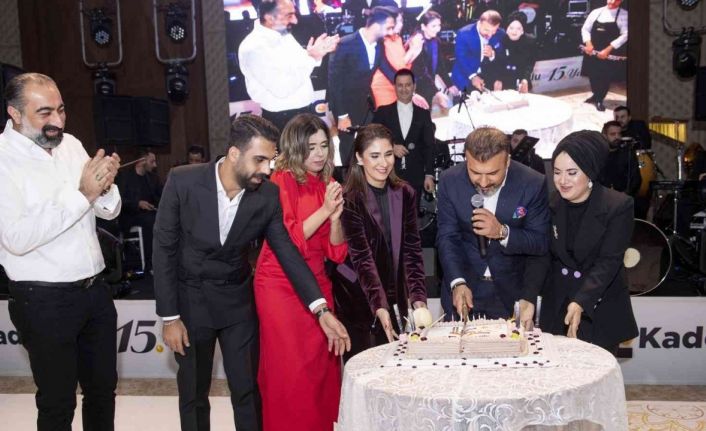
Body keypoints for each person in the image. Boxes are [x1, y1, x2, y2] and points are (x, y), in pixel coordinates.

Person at [153, 115, 350, 431]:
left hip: (237, 304)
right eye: (259, 160)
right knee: (194, 394)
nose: (267, 169)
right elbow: (164, 250)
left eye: (270, 161)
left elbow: (287, 252)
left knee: (247, 392)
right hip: (191, 303)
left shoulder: (266, 194)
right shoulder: (183, 181)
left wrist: (321, 309)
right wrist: (169, 317)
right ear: (234, 154)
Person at [0, 73, 122, 430]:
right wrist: (83, 194)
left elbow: (108, 211)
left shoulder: (70, 144)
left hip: (95, 291)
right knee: (57, 402)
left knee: (103, 392)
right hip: (43, 300)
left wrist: (105, 186)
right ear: (15, 114)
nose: (58, 120)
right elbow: (16, 237)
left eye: (61, 110)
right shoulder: (3, 159)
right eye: (45, 113)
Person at [253, 114, 348, 431]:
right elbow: (289, 241)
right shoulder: (280, 181)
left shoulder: (327, 184)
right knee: (291, 372)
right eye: (311, 147)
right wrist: (325, 210)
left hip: (317, 281)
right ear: (295, 147)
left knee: (322, 368)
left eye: (324, 145)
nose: (319, 154)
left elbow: (336, 252)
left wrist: (335, 219)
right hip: (279, 284)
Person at [526, 130, 638, 354]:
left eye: (572, 173)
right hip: (557, 305)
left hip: (598, 305)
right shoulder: (551, 203)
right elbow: (542, 256)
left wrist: (582, 301)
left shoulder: (617, 206)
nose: (562, 181)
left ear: (590, 172)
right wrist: (528, 296)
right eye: (557, 172)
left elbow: (609, 262)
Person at [436, 126, 549, 322]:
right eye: (475, 172)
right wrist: (457, 282)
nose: (483, 182)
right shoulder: (449, 180)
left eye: (492, 173)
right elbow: (447, 237)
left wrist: (502, 232)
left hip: (510, 294)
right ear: (466, 159)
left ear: (507, 161)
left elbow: (540, 242)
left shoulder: (532, 183)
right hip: (464, 290)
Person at [335, 123, 427, 361]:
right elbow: (361, 257)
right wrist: (379, 306)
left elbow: (412, 251)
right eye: (374, 156)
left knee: (399, 364)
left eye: (388, 154)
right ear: (359, 158)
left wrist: (418, 298)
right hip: (357, 295)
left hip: (396, 293)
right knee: (365, 365)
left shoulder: (405, 193)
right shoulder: (350, 198)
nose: (383, 163)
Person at [239, 0, 340, 133]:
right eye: (289, 15)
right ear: (269, 18)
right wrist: (312, 57)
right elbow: (282, 88)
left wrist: (315, 52)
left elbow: (300, 64)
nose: (295, 20)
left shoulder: (284, 35)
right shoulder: (254, 47)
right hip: (282, 120)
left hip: (302, 114)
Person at [328, 7, 396, 169]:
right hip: (345, 106)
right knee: (348, 146)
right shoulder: (345, 44)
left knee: (370, 141)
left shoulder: (379, 45)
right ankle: (348, 179)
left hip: (366, 104)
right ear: (376, 25)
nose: (391, 32)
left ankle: (368, 175)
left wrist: (408, 88)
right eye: (389, 28)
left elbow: (387, 69)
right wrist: (342, 115)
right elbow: (334, 83)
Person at [372, 69, 436, 206]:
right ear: (394, 87)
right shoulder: (383, 112)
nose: (404, 89)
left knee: (413, 216)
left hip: (416, 177)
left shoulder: (424, 114)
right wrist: (391, 148)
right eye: (400, 85)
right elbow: (371, 140)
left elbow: (429, 146)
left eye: (408, 85)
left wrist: (429, 175)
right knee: (390, 215)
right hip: (388, 176)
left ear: (414, 86)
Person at [370, 7, 424, 108]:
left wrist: (416, 50)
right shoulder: (382, 41)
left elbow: (405, 67)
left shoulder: (397, 38)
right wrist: (413, 49)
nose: (401, 24)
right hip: (384, 88)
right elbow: (398, 66)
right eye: (398, 21)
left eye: (401, 21)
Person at [117, 147, 161, 271]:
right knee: (150, 221)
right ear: (141, 161)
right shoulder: (125, 177)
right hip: (130, 216)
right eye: (152, 162)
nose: (155, 165)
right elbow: (120, 200)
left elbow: (161, 196)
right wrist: (138, 204)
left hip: (149, 214)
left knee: (162, 219)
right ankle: (150, 263)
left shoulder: (152, 178)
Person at [581, 0, 628, 112]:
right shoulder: (596, 12)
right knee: (592, 74)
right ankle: (595, 95)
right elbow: (585, 29)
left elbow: (625, 35)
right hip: (592, 50)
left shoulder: (624, 15)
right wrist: (588, 43)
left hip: (608, 52)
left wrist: (607, 50)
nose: (612, 1)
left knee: (604, 77)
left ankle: (599, 99)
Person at [412, 10, 460, 107]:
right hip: (416, 88)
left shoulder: (435, 41)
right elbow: (421, 72)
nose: (438, 29)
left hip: (430, 85)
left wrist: (449, 84)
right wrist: (436, 92)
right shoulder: (417, 42)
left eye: (439, 25)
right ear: (423, 26)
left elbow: (440, 66)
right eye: (433, 26)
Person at [451, 10, 505, 92]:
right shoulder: (464, 34)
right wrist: (473, 76)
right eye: (486, 30)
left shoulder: (501, 34)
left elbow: (503, 57)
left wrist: (492, 55)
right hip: (465, 76)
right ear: (480, 23)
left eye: (493, 31)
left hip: (487, 78)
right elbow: (461, 59)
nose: (490, 35)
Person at [486, 11, 536, 93]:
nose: (514, 32)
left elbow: (530, 63)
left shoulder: (530, 42)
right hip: (502, 80)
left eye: (518, 29)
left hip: (521, 79)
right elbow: (496, 63)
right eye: (511, 28)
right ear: (507, 30)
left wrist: (525, 79)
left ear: (523, 31)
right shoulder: (500, 40)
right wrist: (497, 79)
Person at [600, 120, 641, 197]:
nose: (617, 137)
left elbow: (636, 179)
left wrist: (625, 194)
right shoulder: (598, 155)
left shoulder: (628, 154)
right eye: (613, 134)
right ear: (604, 136)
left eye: (619, 134)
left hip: (624, 198)